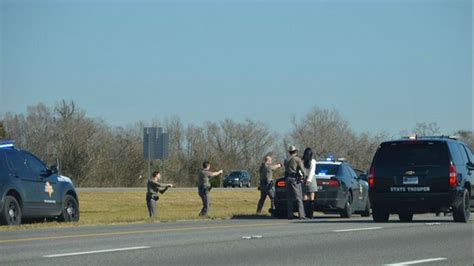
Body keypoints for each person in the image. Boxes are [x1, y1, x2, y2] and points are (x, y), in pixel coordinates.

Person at [284, 145, 306, 219]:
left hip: (287, 178)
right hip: (294, 179)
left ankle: (290, 215)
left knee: (289, 198)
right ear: (295, 151)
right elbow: (302, 170)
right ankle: (301, 215)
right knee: (298, 197)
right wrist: (305, 176)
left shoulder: (286, 160)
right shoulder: (297, 159)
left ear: (289, 152)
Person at [302, 147, 318, 218]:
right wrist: (309, 179)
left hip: (304, 178)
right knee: (312, 196)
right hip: (311, 179)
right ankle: (311, 214)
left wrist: (304, 178)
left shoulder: (302, 161)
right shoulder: (313, 161)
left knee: (305, 196)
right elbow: (312, 171)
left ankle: (305, 213)